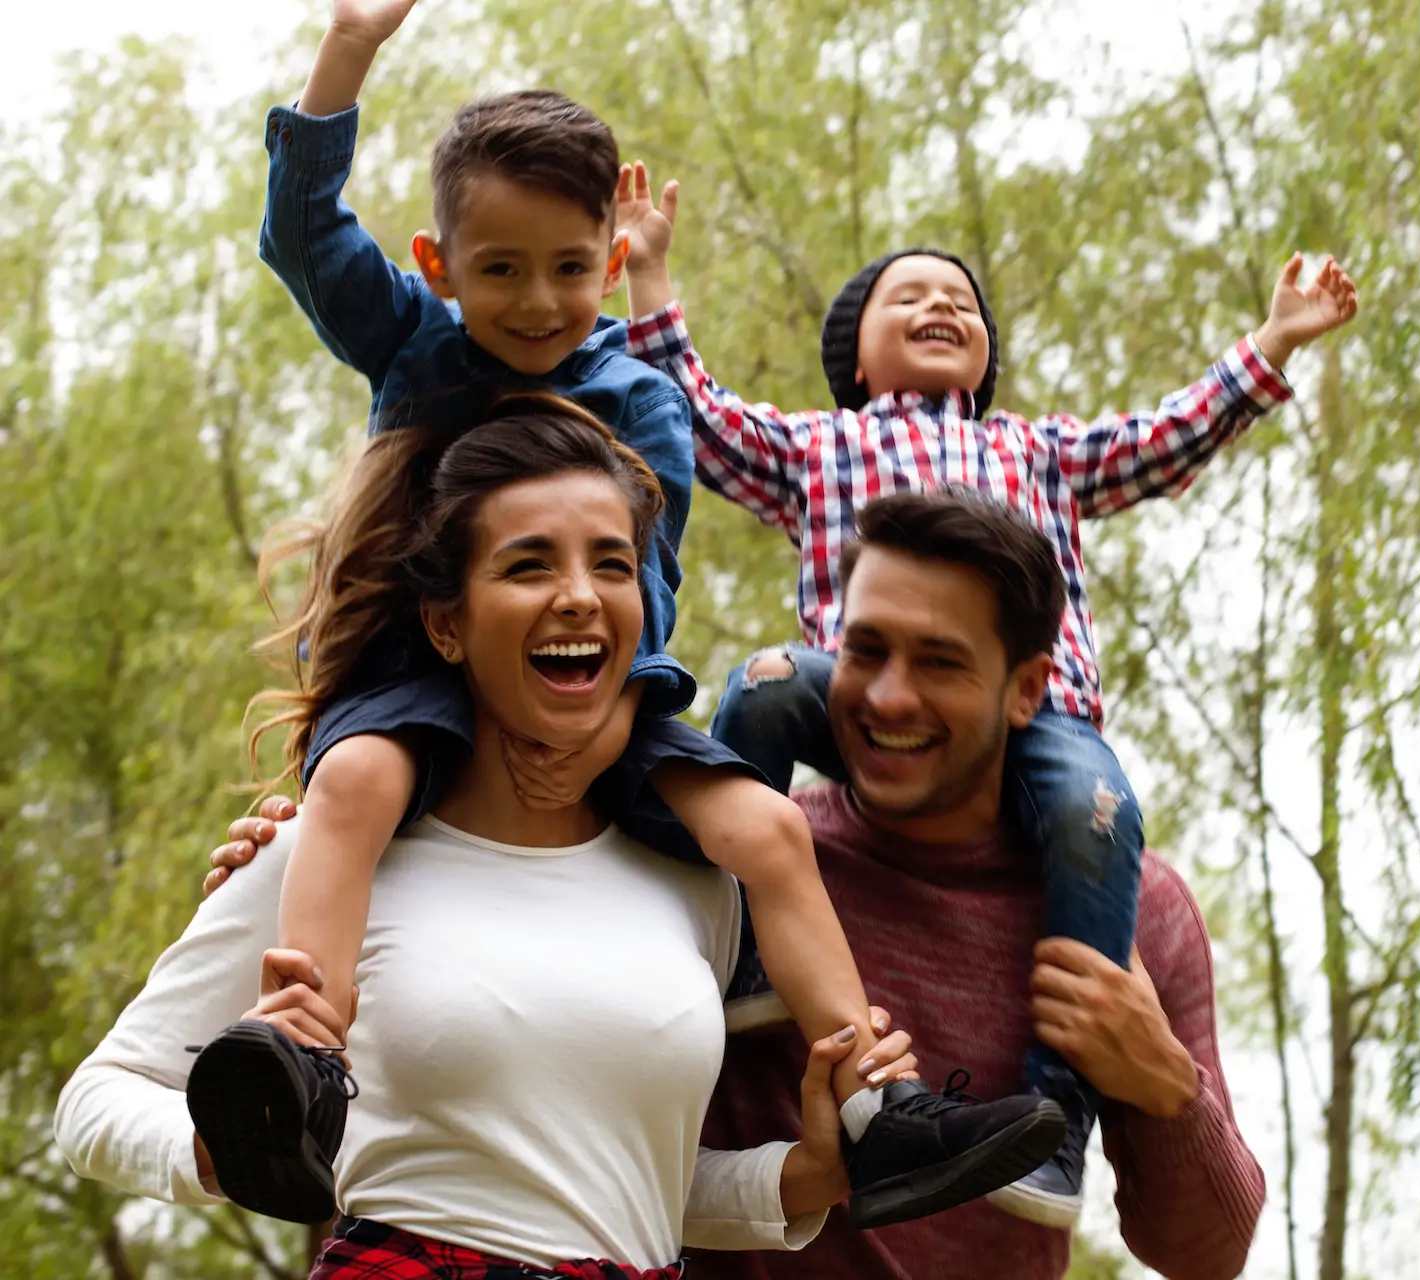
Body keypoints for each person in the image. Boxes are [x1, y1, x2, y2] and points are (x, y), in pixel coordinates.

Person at [208, 0, 1064, 1226]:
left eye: (569, 267)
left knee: (770, 829)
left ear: (612, 254)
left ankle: (879, 1105)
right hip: (414, 668)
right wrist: (348, 51)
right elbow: (301, 236)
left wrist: (598, 709)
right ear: (443, 265)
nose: (539, 301)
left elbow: (641, 585)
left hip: (592, 688)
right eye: (500, 271)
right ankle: (306, 1057)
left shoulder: (636, 396)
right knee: (352, 789)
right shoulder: (414, 337)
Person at [211, 489, 1268, 1279]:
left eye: (940, 661)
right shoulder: (726, 859)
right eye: (865, 648)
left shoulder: (1129, 911)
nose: (889, 695)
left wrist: (1162, 1085)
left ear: (1030, 686)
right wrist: (300, 855)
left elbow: (1207, 1249)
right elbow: (492, 996)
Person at [616, 159, 1356, 1222]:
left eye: (959, 301)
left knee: (1097, 813)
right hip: (844, 694)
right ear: (853, 359)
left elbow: (1165, 438)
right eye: (905, 296)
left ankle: (1053, 1124)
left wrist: (1274, 341)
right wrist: (648, 280)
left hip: (1049, 733)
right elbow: (693, 416)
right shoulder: (820, 446)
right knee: (764, 684)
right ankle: (736, 940)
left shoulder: (1038, 452)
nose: (939, 306)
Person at [55, 400, 941, 1277]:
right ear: (447, 624)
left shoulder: (695, 884)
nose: (579, 598)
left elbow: (619, 1183)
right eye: (528, 567)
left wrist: (802, 1178)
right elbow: (95, 1103)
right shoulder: (334, 854)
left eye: (612, 564)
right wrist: (216, 1148)